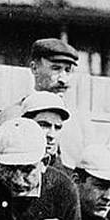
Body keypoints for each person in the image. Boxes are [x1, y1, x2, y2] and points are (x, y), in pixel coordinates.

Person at [27, 37, 85, 167]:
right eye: (56, 68)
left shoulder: (78, 120)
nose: (63, 79)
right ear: (34, 68)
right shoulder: (18, 113)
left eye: (68, 70)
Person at [15, 90, 73, 172]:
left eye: (57, 127)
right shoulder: (8, 167)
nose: (52, 135)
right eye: (44, 125)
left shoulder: (66, 177)